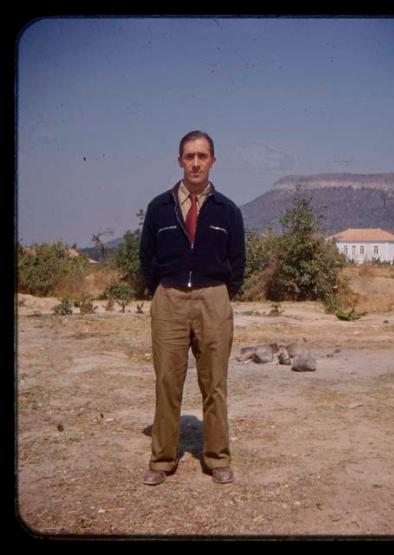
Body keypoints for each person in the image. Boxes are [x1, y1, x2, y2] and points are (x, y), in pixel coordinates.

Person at [140, 130, 246, 485]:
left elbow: (238, 262)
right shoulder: (159, 207)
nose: (196, 162)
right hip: (168, 299)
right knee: (168, 381)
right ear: (180, 161)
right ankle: (162, 461)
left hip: (214, 298)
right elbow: (147, 258)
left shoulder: (228, 210)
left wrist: (218, 292)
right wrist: (162, 289)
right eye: (189, 156)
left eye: (202, 156)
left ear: (213, 161)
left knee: (214, 382)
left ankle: (217, 458)